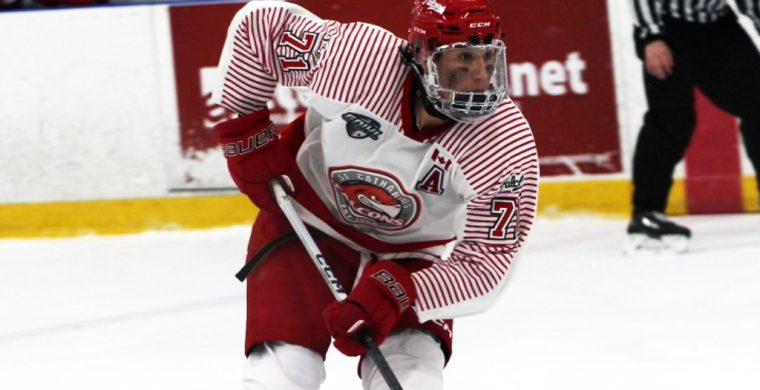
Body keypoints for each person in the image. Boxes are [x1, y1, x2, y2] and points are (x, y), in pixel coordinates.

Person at [211, 0, 538, 388]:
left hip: (411, 259)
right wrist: (246, 127)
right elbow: (260, 27)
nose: (480, 77)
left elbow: (487, 265)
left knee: (413, 375)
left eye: (488, 59)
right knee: (281, 372)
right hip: (306, 222)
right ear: (421, 55)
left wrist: (401, 290)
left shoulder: (504, 144)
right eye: (462, 60)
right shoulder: (358, 60)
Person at [627, 0, 760, 253]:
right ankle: (646, 215)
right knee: (671, 121)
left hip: (716, 27)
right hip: (667, 28)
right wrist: (652, 36)